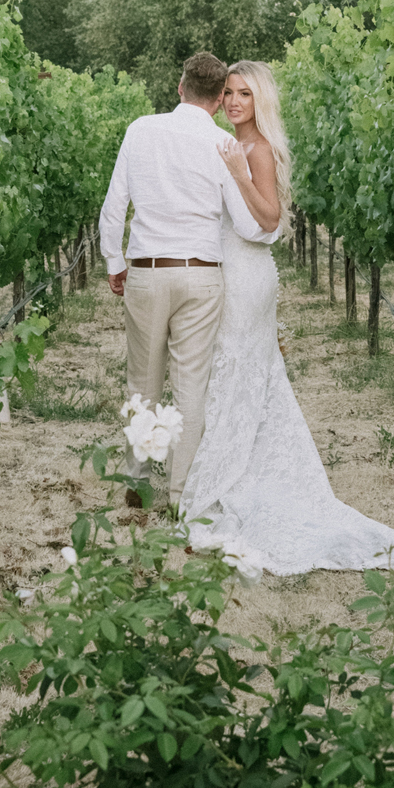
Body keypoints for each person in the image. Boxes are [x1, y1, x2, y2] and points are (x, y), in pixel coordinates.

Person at [179, 60, 394, 577]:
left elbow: (270, 219)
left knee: (236, 370)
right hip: (232, 270)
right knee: (240, 372)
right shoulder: (232, 144)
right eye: (228, 93)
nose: (233, 102)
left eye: (244, 94)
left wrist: (237, 175)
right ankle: (235, 469)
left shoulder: (255, 150)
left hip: (246, 276)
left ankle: (225, 479)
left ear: (260, 101)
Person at [98, 52, 278, 508]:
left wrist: (114, 262)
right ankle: (182, 496)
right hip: (201, 277)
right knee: (191, 388)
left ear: (180, 88)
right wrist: (266, 231)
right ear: (218, 100)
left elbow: (114, 205)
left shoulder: (140, 129)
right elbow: (247, 224)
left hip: (147, 271)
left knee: (142, 384)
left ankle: (137, 484)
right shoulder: (223, 144)